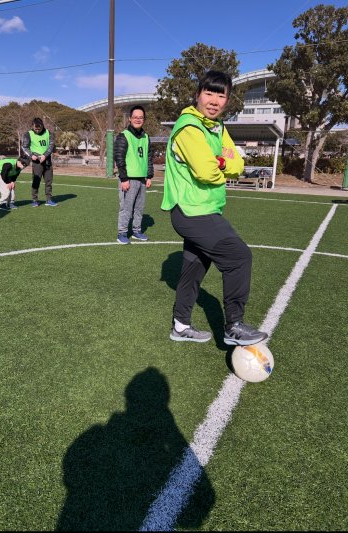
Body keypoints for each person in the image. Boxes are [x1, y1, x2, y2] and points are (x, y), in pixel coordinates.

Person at [161, 70, 268, 346]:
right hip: (191, 211)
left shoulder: (218, 127)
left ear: (227, 100)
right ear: (198, 94)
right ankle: (234, 326)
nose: (214, 101)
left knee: (193, 269)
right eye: (208, 93)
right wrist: (221, 163)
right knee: (239, 257)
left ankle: (180, 326)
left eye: (221, 96)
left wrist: (220, 161)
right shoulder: (189, 128)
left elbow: (238, 165)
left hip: (206, 208)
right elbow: (206, 172)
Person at [114, 105, 153, 244]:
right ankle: (122, 233)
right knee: (126, 208)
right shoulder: (124, 136)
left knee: (139, 208)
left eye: (141, 117)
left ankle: (137, 231)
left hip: (142, 179)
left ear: (144, 119)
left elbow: (149, 158)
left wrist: (149, 176)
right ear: (130, 118)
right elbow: (119, 158)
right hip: (128, 179)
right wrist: (124, 178)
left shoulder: (146, 137)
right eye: (135, 117)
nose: (138, 119)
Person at [22, 117, 57, 207]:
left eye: (39, 129)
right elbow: (25, 147)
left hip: (47, 161)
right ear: (32, 126)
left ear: (42, 126)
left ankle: (49, 200)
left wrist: (45, 155)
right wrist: (31, 155)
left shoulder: (49, 133)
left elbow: (51, 146)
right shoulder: (28, 134)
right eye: (35, 129)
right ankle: (35, 200)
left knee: (49, 181)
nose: (37, 130)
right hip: (37, 162)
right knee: (36, 181)